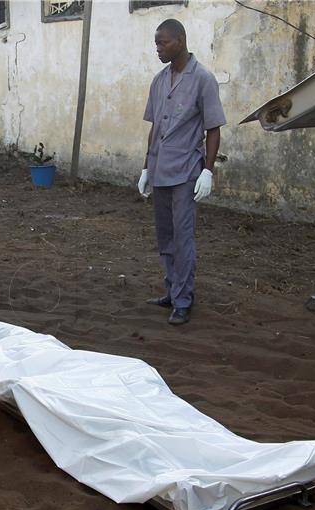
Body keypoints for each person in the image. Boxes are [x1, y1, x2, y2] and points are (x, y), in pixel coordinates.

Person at [137, 19, 225, 326]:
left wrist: (208, 171)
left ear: (181, 40)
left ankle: (184, 300)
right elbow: (155, 128)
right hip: (161, 169)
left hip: (186, 172)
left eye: (163, 43)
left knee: (183, 238)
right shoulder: (159, 80)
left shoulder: (203, 79)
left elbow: (213, 128)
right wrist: (147, 166)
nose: (158, 49)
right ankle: (173, 291)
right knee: (166, 236)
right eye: (156, 43)